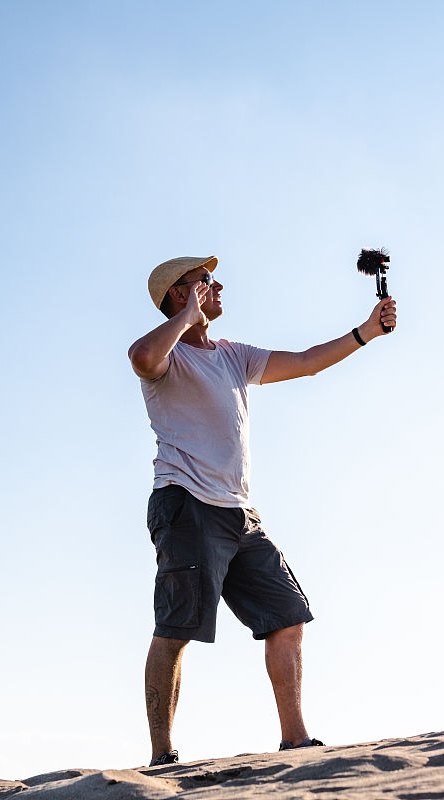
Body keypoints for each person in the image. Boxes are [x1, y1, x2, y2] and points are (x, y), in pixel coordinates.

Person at [128, 255, 397, 767]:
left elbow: (305, 360)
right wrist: (186, 317)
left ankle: (295, 740)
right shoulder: (166, 355)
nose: (220, 285)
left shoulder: (234, 356)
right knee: (176, 628)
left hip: (239, 512)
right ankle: (163, 755)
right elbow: (142, 359)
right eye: (206, 281)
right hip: (185, 503)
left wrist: (366, 332)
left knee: (288, 617)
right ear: (181, 295)